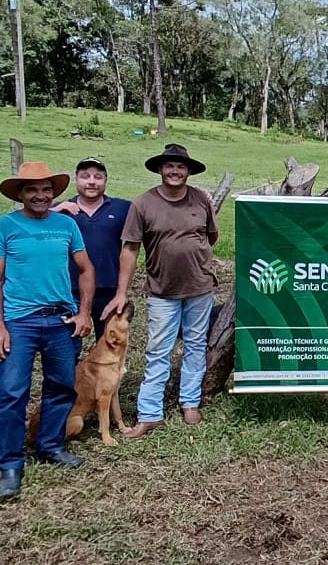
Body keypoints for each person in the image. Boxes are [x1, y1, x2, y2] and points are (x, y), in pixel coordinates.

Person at [0, 161, 95, 500]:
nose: (40, 195)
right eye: (32, 189)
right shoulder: (3, 227)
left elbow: (86, 269)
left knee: (61, 387)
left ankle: (50, 444)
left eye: (46, 190)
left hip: (61, 320)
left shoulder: (66, 225)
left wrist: (84, 313)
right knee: (12, 392)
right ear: (20, 193)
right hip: (20, 322)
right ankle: (10, 463)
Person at [103, 144, 218, 439]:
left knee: (195, 344)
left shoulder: (201, 200)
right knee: (158, 351)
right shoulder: (143, 204)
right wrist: (121, 292)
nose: (175, 171)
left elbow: (211, 236)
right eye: (169, 166)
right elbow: (130, 248)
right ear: (160, 169)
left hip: (200, 287)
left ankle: (190, 402)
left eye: (181, 166)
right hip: (162, 290)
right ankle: (150, 413)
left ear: (188, 171)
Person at [51, 157, 131, 341]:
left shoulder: (122, 208)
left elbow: (150, 215)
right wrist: (55, 210)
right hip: (70, 290)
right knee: (68, 345)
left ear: (106, 180)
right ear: (76, 179)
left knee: (109, 344)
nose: (92, 182)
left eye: (98, 177)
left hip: (109, 289)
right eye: (85, 176)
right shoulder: (61, 210)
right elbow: (28, 220)